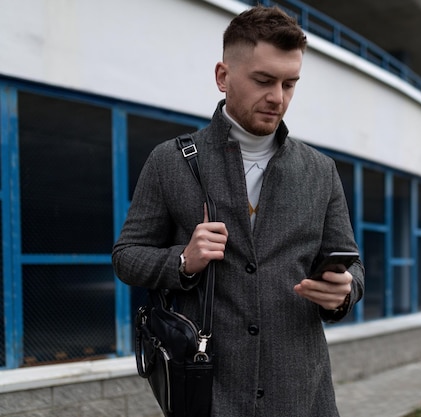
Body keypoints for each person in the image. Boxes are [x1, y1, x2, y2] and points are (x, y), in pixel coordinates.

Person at [112, 5, 364, 416]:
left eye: (289, 84)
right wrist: (183, 260)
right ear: (223, 76)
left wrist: (343, 291)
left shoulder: (321, 171)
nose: (277, 98)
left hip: (301, 395)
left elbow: (352, 267)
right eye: (264, 80)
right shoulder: (169, 161)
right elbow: (126, 257)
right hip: (208, 392)